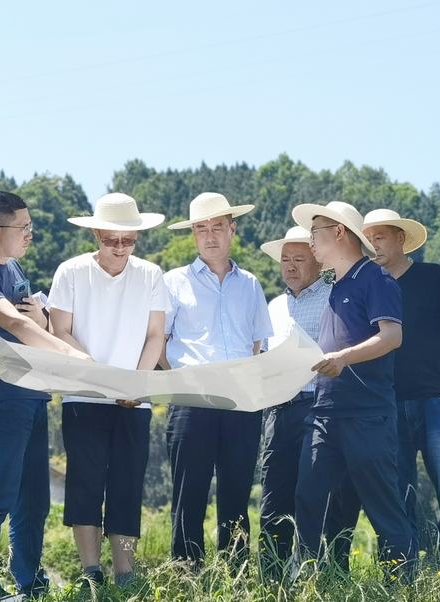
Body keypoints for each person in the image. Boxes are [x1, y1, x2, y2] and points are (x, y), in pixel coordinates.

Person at [0, 190, 79, 598]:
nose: (29, 234)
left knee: (34, 501)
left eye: (30, 226)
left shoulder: (14, 267)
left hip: (33, 395)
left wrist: (43, 319)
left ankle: (29, 584)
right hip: (0, 398)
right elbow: (18, 325)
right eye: (22, 227)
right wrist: (76, 358)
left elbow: (35, 320)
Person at [48, 193, 168, 589]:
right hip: (83, 395)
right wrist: (99, 376)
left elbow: (156, 335)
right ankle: (91, 573)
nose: (119, 248)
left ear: (137, 237)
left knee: (127, 486)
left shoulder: (151, 275)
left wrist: (135, 382)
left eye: (127, 240)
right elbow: (59, 332)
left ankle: (126, 574)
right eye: (110, 240)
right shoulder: (70, 272)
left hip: (135, 400)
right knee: (84, 483)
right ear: (96, 234)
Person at [290, 200, 415, 575]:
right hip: (325, 414)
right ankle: (307, 581)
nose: (310, 242)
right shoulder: (335, 285)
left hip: (367, 415)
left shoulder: (377, 279)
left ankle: (402, 585)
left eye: (314, 233)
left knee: (383, 507)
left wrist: (344, 357)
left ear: (339, 232)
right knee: (308, 498)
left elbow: (392, 336)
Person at [362, 209, 440, 582]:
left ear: (402, 239)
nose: (373, 245)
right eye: (368, 239)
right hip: (387, 404)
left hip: (437, 400)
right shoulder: (369, 284)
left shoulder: (435, 275)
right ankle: (400, 580)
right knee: (397, 498)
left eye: (380, 236)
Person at [162, 192, 273, 567]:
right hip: (191, 400)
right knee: (188, 492)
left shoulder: (251, 284)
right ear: (193, 234)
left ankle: (237, 573)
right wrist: (179, 382)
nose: (209, 236)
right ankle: (186, 574)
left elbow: (258, 344)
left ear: (232, 230)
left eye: (217, 227)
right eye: (201, 229)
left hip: (241, 401)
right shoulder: (173, 282)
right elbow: (159, 341)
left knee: (237, 493)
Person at [257, 226, 331, 580]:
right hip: (278, 409)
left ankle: (312, 577)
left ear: (318, 261)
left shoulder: (333, 298)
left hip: (318, 407)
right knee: (273, 497)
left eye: (299, 259)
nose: (289, 266)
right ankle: (271, 580)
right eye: (285, 259)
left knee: (312, 496)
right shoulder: (273, 306)